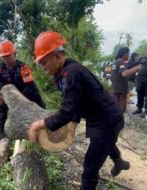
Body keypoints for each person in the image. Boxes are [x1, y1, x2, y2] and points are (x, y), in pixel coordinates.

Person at [28, 31, 130, 190]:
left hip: (107, 122)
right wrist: (71, 125)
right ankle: (119, 162)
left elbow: (67, 111)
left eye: (44, 62)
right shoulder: (62, 74)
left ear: (57, 56)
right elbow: (75, 103)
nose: (42, 67)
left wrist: (38, 125)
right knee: (105, 143)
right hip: (101, 119)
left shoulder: (72, 73)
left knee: (90, 168)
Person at [0, 40, 45, 138]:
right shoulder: (0, 68)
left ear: (14, 54)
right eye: (4, 56)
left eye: (8, 55)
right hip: (6, 96)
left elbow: (30, 86)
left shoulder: (23, 67)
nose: (6, 58)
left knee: (36, 101)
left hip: (24, 94)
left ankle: (43, 123)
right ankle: (2, 135)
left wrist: (20, 100)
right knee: (2, 111)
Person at [110, 47, 142, 113]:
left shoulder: (115, 62)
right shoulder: (120, 62)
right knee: (121, 109)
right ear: (124, 54)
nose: (129, 55)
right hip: (121, 90)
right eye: (128, 53)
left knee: (115, 109)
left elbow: (111, 76)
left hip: (115, 89)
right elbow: (124, 74)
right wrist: (137, 68)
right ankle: (121, 121)